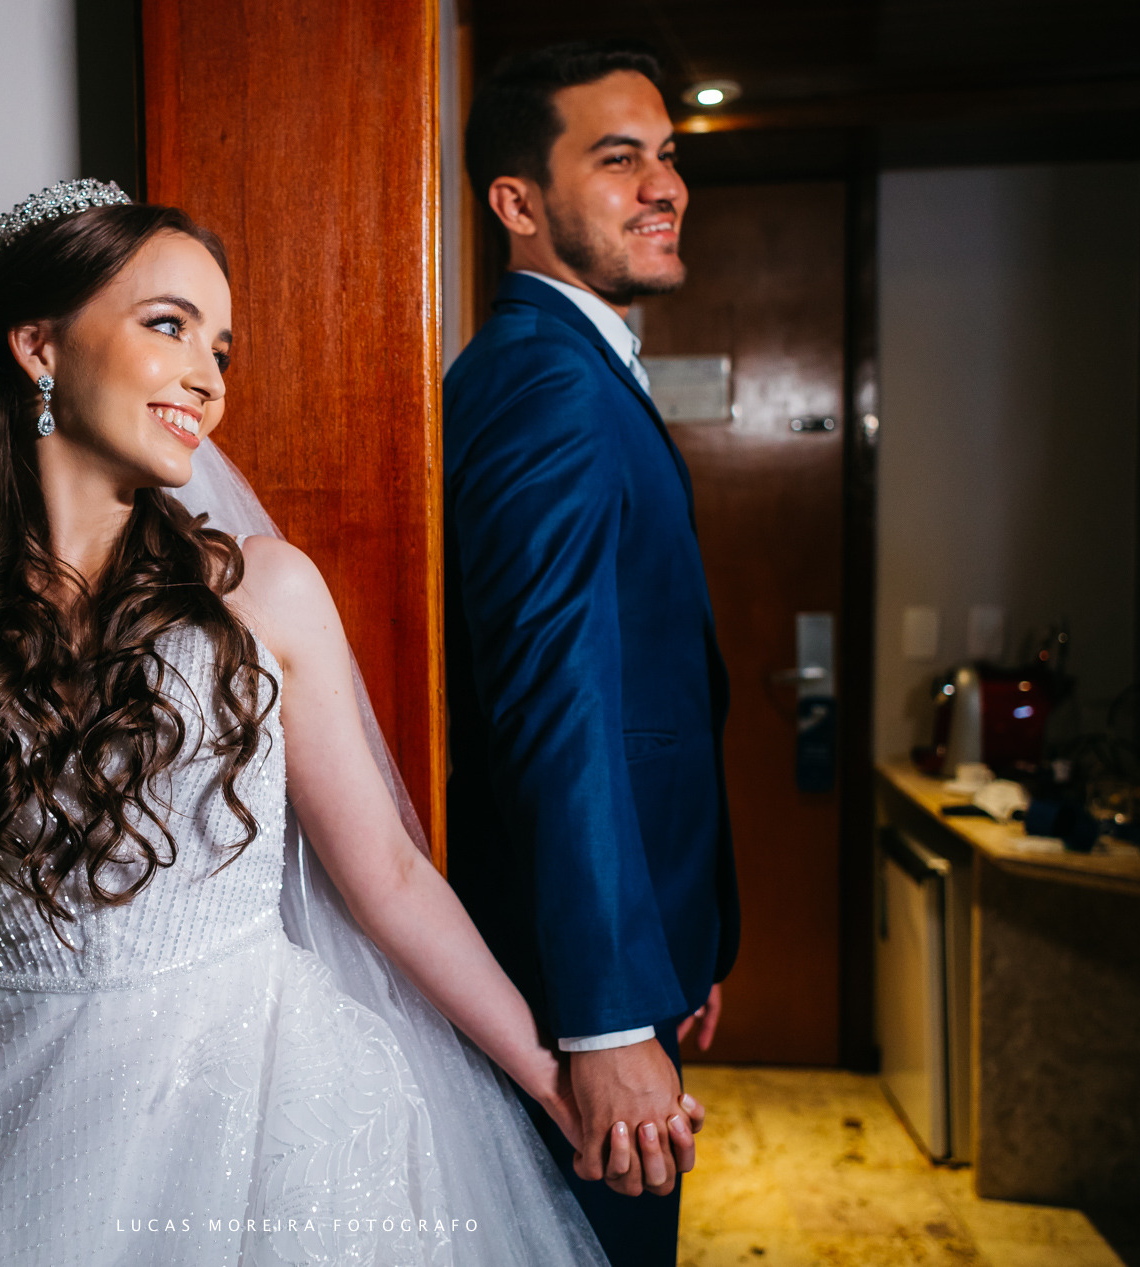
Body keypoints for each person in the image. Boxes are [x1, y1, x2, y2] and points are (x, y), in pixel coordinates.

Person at [0, 181, 698, 1266]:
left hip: (255, 1108)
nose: (209, 376)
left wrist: (555, 1077)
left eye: (222, 348)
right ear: (37, 345)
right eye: (170, 326)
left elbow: (389, 876)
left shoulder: (266, 592)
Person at [442, 42, 742, 1266]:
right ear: (516, 202)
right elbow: (556, 706)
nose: (665, 186)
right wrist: (608, 1015)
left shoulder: (578, 368)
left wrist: (683, 937)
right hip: (567, 987)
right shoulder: (543, 386)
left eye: (666, 156)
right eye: (619, 160)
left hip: (627, 942)